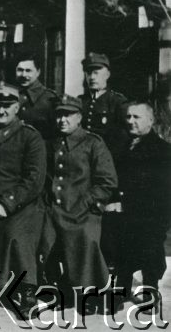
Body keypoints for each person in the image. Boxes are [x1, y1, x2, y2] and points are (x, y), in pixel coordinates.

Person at [0, 85, 46, 317]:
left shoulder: (29, 136)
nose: (1, 111)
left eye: (6, 106)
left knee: (18, 234)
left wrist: (7, 203)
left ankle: (27, 292)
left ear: (17, 107)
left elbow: (34, 179)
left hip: (21, 202)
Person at [43, 95, 118, 314]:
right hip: (54, 209)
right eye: (59, 115)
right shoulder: (51, 142)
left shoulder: (92, 142)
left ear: (79, 117)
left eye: (68, 114)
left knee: (85, 239)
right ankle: (61, 290)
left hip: (83, 211)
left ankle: (90, 293)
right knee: (44, 240)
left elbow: (107, 181)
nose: (62, 120)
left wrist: (86, 202)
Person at [110, 101, 171, 314]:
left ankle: (150, 293)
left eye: (137, 117)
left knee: (149, 252)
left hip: (151, 213)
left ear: (151, 120)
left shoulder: (162, 150)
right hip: (125, 211)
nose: (131, 122)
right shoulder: (123, 146)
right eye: (128, 117)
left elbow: (163, 190)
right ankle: (122, 289)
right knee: (122, 249)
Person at [79, 52, 128, 271]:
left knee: (109, 230)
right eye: (89, 72)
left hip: (107, 176)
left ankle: (111, 276)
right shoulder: (81, 103)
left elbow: (122, 143)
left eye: (97, 72)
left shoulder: (117, 102)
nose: (92, 77)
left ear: (107, 73)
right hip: (83, 176)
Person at [15, 53, 58, 139]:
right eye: (20, 70)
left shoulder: (49, 98)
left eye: (28, 71)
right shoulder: (11, 94)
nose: (23, 75)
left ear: (38, 72)